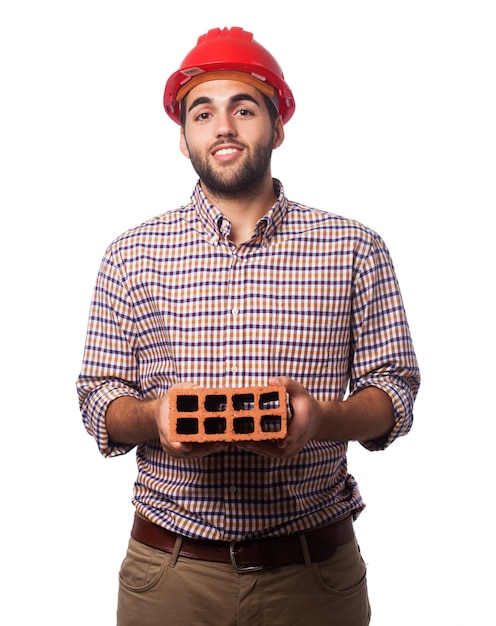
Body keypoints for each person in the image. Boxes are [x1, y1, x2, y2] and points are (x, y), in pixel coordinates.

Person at [77, 26, 420, 626]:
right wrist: (156, 417)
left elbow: (395, 389)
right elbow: (97, 399)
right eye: (203, 112)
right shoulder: (129, 255)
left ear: (278, 126)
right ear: (183, 138)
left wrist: (323, 419)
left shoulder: (354, 248)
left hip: (314, 574)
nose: (224, 127)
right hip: (171, 575)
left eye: (244, 108)